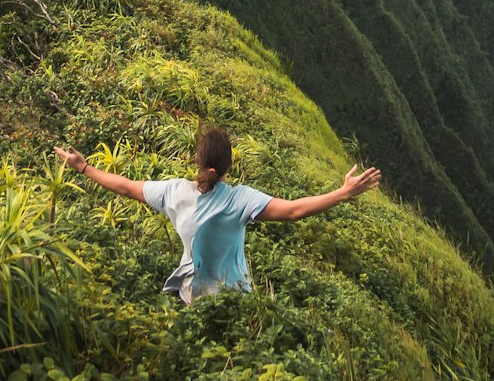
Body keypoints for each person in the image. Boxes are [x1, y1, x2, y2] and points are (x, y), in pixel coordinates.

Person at [53, 124, 381, 303]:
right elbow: (294, 211)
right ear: (228, 166)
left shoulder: (173, 192)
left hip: (189, 299)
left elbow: (126, 186)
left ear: (198, 161)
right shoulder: (239, 200)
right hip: (235, 303)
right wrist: (344, 192)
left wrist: (84, 167)